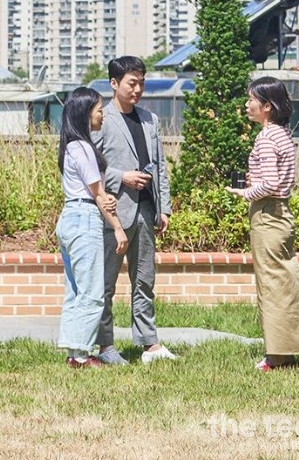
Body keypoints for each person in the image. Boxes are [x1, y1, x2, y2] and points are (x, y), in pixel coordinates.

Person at [226, 76, 299, 371]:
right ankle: (287, 350)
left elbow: (271, 183)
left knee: (272, 283)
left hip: (267, 214)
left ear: (266, 106)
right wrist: (259, 182)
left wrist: (245, 191)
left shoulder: (266, 137)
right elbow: (279, 178)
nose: (247, 105)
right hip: (282, 213)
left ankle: (276, 356)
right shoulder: (283, 134)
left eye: (251, 101)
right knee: (284, 279)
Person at [93, 56, 178, 365]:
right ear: (114, 84)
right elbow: (90, 167)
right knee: (106, 284)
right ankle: (105, 346)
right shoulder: (101, 117)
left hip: (146, 211)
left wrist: (163, 207)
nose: (138, 89)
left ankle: (149, 344)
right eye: (132, 83)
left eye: (142, 83)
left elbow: (161, 167)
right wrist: (121, 176)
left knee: (144, 280)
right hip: (114, 213)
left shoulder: (149, 120)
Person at [55, 87, 123, 368]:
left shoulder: (72, 146)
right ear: (85, 113)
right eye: (98, 108)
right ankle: (81, 355)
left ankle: (74, 352)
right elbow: (99, 195)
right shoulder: (82, 147)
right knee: (93, 292)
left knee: (75, 291)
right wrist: (118, 228)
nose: (102, 113)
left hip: (71, 216)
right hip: (84, 218)